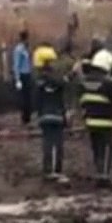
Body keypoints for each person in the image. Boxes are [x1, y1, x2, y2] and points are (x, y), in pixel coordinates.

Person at [77, 49, 112, 187]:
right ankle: (104, 176)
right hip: (105, 121)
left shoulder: (85, 80)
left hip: (90, 120)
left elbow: (81, 100)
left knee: (96, 147)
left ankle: (99, 172)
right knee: (107, 148)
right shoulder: (110, 83)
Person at [31, 45, 69, 182]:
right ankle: (54, 171)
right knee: (56, 144)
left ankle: (48, 169)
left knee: (47, 143)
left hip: (44, 115)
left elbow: (35, 99)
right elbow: (62, 84)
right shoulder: (53, 78)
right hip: (55, 114)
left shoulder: (38, 80)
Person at [11, 31, 33, 125]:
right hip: (22, 75)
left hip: (27, 74)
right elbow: (16, 65)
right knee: (24, 98)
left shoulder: (26, 49)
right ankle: (24, 118)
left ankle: (28, 118)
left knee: (28, 97)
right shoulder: (19, 50)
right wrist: (17, 79)